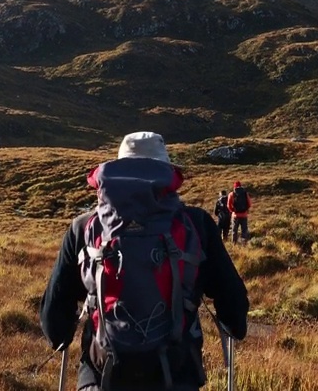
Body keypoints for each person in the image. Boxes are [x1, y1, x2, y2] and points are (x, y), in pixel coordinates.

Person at [41, 131, 249, 390]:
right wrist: (233, 324)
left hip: (103, 375)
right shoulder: (196, 224)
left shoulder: (83, 228)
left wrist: (61, 335)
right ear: (166, 173)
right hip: (176, 375)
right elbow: (234, 303)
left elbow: (53, 322)